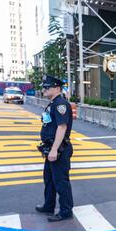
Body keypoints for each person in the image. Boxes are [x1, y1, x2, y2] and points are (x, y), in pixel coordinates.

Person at [35, 75, 74, 222]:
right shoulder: (52, 103)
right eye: (44, 87)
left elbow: (62, 127)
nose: (44, 89)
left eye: (47, 87)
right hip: (51, 147)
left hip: (58, 148)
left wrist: (54, 150)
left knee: (60, 181)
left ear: (57, 88)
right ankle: (49, 205)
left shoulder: (60, 104)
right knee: (49, 179)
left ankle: (66, 211)